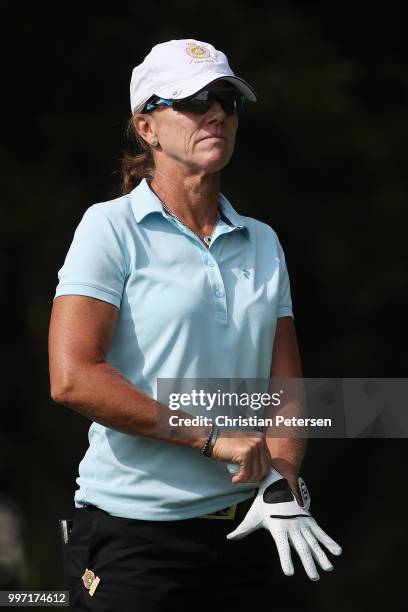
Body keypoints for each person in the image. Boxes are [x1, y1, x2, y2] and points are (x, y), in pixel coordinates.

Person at [48, 38, 341, 612]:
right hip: (134, 537)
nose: (217, 112)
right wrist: (209, 438)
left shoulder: (262, 240)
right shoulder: (109, 229)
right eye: (193, 100)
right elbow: (73, 377)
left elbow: (284, 392)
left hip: (247, 532)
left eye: (227, 100)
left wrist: (281, 478)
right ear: (147, 128)